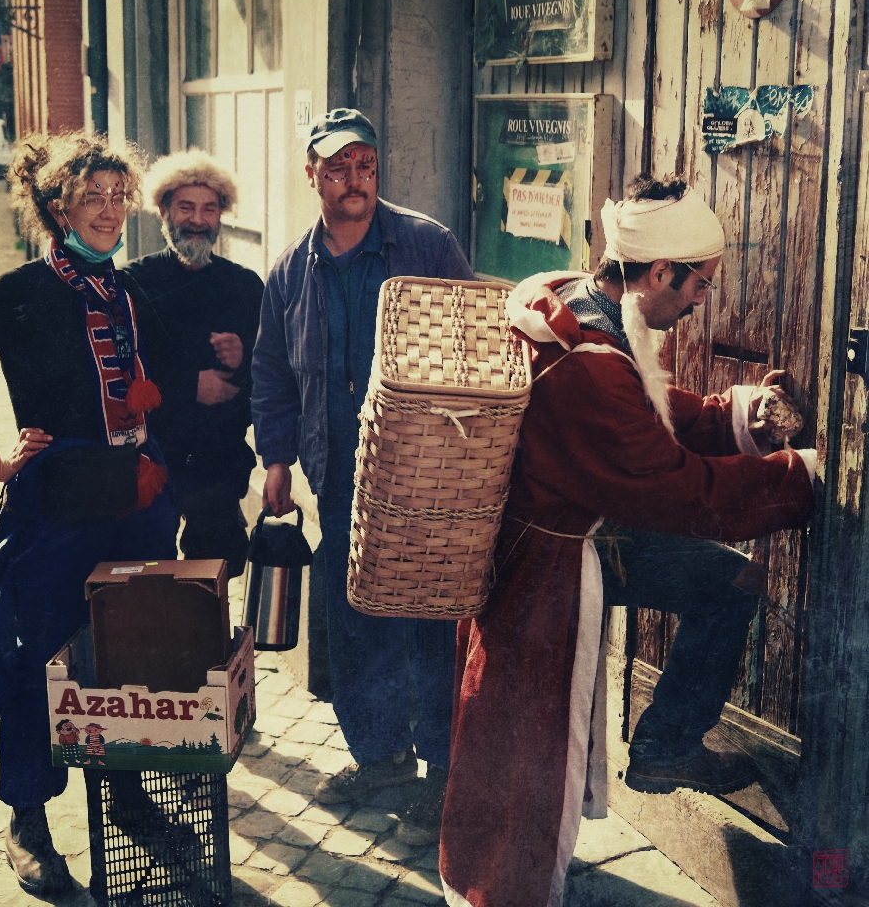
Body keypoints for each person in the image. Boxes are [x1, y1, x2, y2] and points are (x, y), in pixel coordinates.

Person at [439, 175, 817, 907]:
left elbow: (648, 410)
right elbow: (673, 487)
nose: (702, 299)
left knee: (728, 581)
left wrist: (741, 417)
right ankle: (500, 894)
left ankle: (666, 746)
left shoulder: (589, 307)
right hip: (547, 561)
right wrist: (796, 476)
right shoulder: (585, 364)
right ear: (661, 271)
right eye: (699, 283)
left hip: (584, 533)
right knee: (524, 748)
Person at [0, 132, 177, 897]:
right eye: (91, 197)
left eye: (118, 195)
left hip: (134, 504)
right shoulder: (18, 293)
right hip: (56, 512)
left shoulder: (128, 292)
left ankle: (124, 789)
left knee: (128, 652)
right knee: (36, 659)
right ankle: (26, 818)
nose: (109, 210)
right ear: (58, 207)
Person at [251, 108, 474, 845]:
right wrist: (276, 459)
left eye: (366, 166)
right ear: (312, 175)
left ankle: (443, 774)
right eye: (339, 167)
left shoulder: (426, 244)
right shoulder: (291, 270)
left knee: (428, 622)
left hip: (424, 476)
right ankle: (381, 758)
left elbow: (479, 344)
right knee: (354, 620)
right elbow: (271, 372)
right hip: (339, 476)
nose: (355, 180)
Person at [125, 149, 264, 577]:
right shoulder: (132, 283)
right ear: (163, 210)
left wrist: (243, 360)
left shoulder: (245, 285)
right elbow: (116, 374)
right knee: (149, 580)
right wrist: (188, 386)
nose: (198, 220)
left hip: (219, 464)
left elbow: (271, 378)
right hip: (150, 460)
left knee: (212, 583)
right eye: (186, 207)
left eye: (209, 209)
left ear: (222, 214)